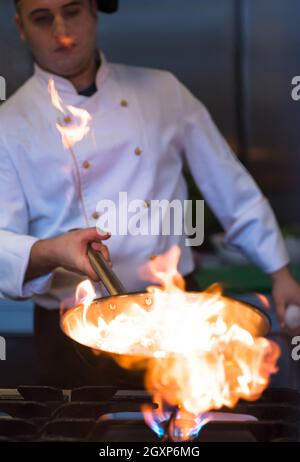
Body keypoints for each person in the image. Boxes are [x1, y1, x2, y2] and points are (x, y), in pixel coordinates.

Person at [0, 0, 300, 385]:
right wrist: (53, 250)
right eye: (42, 19)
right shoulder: (9, 124)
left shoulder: (163, 91)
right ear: (21, 27)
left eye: (72, 11)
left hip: (177, 312)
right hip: (75, 328)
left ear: (93, 10)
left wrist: (280, 272)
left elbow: (229, 184)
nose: (61, 31)